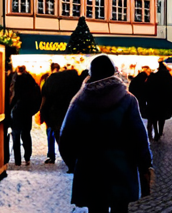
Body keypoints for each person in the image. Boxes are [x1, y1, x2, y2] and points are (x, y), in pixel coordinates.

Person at [59, 55, 153, 213]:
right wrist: (145, 165)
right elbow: (139, 138)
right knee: (120, 208)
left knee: (96, 209)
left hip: (90, 167)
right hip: (121, 166)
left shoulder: (79, 101)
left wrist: (73, 163)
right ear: (112, 73)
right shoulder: (127, 100)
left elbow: (66, 138)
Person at [40, 63, 81, 164]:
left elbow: (44, 99)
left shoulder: (49, 80)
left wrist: (43, 114)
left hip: (54, 115)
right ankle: (70, 159)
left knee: (53, 134)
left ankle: (54, 155)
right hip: (66, 114)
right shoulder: (73, 82)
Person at [9, 65, 41, 166]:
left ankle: (17, 160)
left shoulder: (15, 80)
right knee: (26, 134)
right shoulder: (31, 81)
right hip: (27, 111)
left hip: (17, 111)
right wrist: (33, 110)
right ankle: (27, 157)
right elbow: (37, 97)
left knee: (16, 135)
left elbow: (13, 96)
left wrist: (10, 108)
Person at [145, 62, 172, 141]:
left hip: (153, 100)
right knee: (162, 117)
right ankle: (160, 131)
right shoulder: (168, 78)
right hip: (165, 101)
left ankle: (156, 132)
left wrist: (146, 99)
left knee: (154, 117)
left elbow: (146, 88)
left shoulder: (153, 77)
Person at [129, 66, 151, 135]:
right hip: (141, 100)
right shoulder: (143, 83)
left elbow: (130, 90)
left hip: (134, 100)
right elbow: (146, 92)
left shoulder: (134, 81)